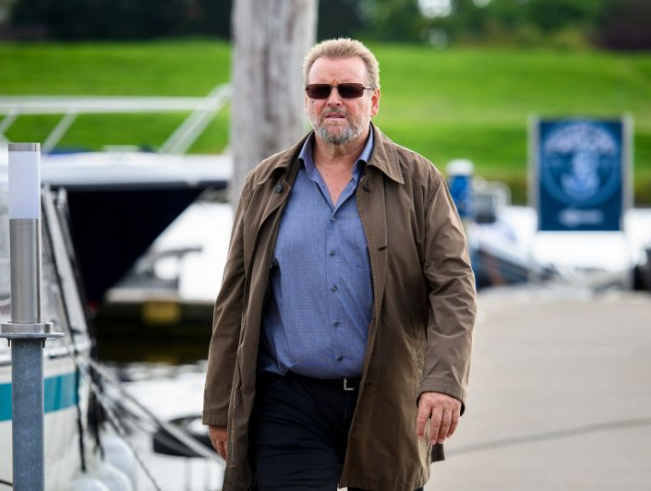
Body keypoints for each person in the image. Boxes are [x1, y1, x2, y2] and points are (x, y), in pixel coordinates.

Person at [203, 38, 476, 491]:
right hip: (288, 402)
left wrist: (444, 382)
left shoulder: (419, 181)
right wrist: (219, 406)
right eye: (320, 90)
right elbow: (234, 299)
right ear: (307, 100)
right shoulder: (265, 183)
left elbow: (454, 288)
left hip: (388, 397)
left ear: (374, 100)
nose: (333, 100)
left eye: (348, 90)